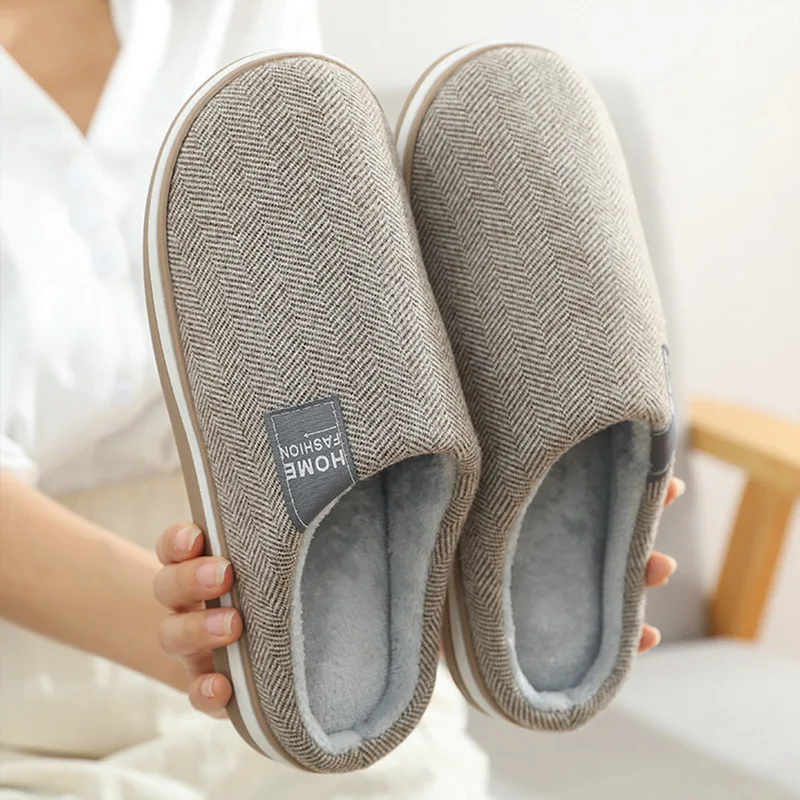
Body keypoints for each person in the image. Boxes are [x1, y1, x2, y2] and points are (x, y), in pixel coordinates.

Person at [0, 1, 681, 797]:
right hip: (39, 663)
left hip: (328, 575)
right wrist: (217, 632)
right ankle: (337, 642)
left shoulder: (231, 13)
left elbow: (330, 318)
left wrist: (408, 557)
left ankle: (446, 557)